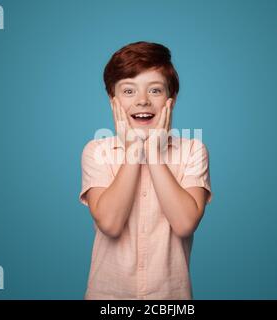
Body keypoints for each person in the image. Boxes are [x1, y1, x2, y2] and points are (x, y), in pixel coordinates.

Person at [79, 41, 212, 299]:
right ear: (112, 100)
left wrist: (153, 153)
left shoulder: (193, 150)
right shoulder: (97, 151)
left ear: (170, 100)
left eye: (155, 90)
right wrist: (133, 153)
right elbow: (110, 223)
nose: (142, 101)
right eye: (129, 91)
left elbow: (185, 224)